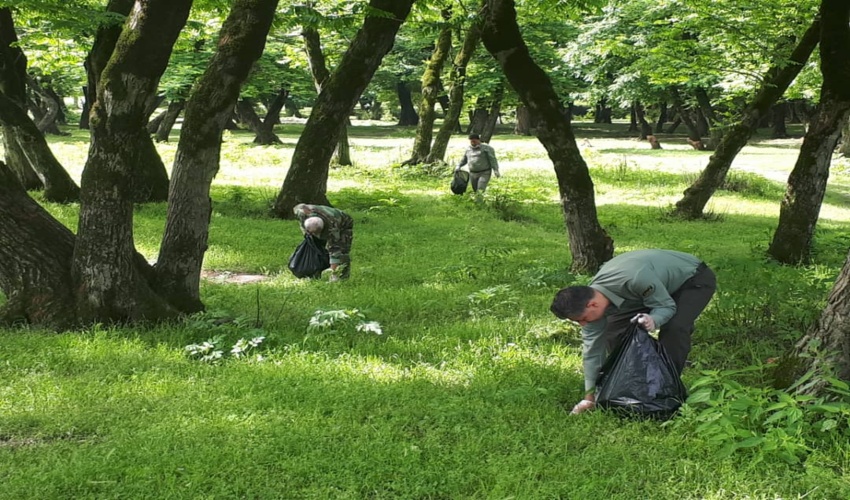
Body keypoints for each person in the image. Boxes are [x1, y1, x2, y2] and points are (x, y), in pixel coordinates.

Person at [549, 249, 716, 415]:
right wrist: (589, 397)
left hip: (691, 280)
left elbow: (665, 307)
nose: (583, 324)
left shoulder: (635, 279)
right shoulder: (593, 299)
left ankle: (666, 390)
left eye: (582, 319)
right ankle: (637, 383)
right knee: (613, 331)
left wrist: (653, 320)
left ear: (592, 304)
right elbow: (592, 352)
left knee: (674, 327)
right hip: (646, 289)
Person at [293, 203, 354, 281]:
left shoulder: (333, 227)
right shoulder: (302, 213)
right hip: (320, 220)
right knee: (314, 245)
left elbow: (335, 250)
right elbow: (297, 207)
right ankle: (314, 271)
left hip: (344, 225)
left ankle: (340, 276)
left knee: (342, 250)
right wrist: (306, 233)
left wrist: (333, 271)